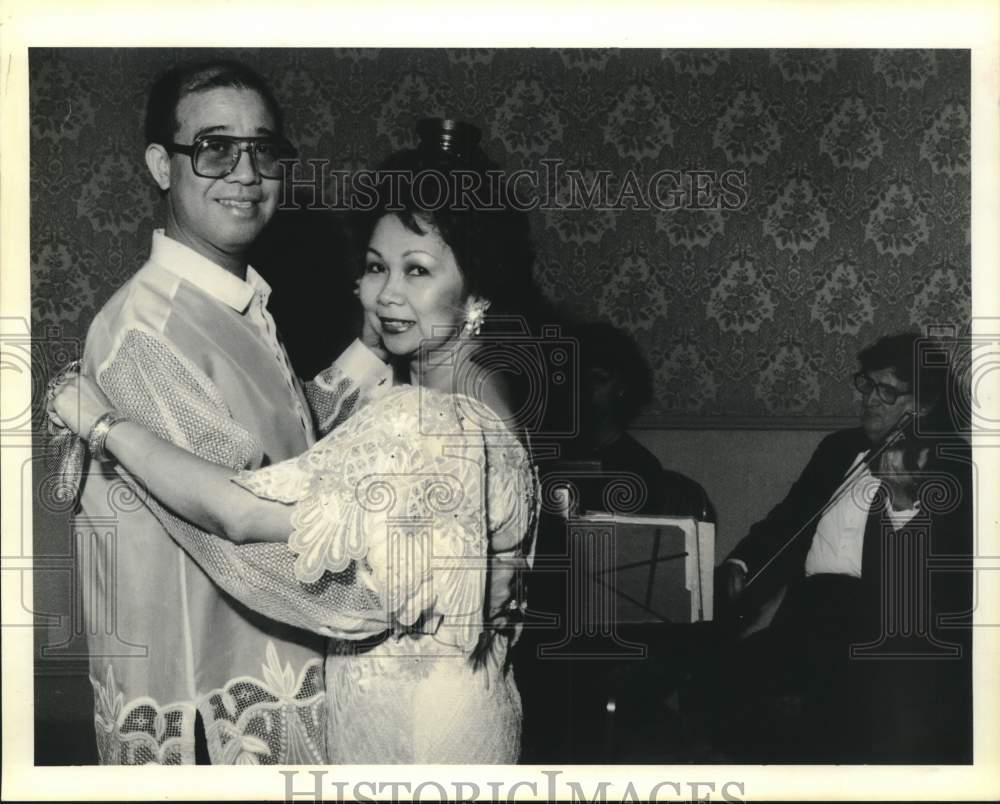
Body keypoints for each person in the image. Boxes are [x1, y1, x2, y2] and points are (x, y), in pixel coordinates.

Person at [50, 119, 540, 764]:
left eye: (416, 271)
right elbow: (323, 459)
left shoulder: (429, 419)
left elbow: (240, 510)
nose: (385, 293)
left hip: (416, 734)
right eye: (374, 267)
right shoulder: (482, 398)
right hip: (461, 708)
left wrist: (103, 423)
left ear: (477, 287)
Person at [50, 59, 392, 765]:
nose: (245, 172)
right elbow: (237, 526)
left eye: (263, 149)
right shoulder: (146, 331)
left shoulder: (235, 305)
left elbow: (288, 453)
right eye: (214, 148)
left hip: (279, 667)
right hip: (212, 711)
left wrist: (370, 348)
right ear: (160, 165)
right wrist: (400, 597)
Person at [716, 332, 972, 762]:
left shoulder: (951, 465)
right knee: (722, 675)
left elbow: (934, 585)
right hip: (809, 614)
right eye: (866, 384)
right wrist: (742, 562)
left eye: (887, 390)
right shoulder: (838, 448)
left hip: (883, 628)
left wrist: (904, 503)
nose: (869, 399)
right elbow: (788, 518)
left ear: (922, 406)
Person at [563, 322, 713, 519]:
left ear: (622, 387)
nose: (587, 390)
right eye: (579, 379)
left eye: (599, 379)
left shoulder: (640, 467)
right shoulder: (554, 456)